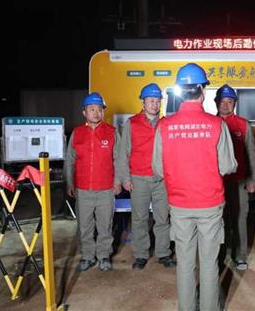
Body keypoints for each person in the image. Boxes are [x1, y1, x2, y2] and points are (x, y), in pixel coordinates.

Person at [152, 63, 237, 311]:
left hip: (179, 205)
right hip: (210, 204)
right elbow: (228, 165)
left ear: (180, 92)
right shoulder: (216, 125)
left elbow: (157, 168)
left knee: (185, 263)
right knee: (209, 263)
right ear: (201, 91)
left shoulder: (164, 126)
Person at [65, 92, 123, 272]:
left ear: (103, 111)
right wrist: (69, 183)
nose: (96, 113)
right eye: (92, 109)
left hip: (106, 188)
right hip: (83, 189)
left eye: (99, 109)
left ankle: (104, 255)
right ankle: (88, 256)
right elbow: (70, 161)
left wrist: (118, 181)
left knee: (105, 225)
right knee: (85, 225)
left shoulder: (112, 133)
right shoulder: (77, 133)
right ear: (84, 112)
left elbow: (119, 160)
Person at [120, 83, 174, 270]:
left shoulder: (165, 124)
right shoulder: (132, 124)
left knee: (162, 218)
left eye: (157, 100)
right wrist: (125, 178)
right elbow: (123, 153)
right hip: (139, 179)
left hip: (161, 180)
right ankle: (141, 254)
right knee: (139, 218)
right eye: (151, 100)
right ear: (143, 102)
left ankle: (163, 252)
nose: (154, 104)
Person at [214, 84, 255, 271]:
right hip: (216, 183)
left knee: (240, 218)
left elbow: (251, 152)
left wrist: (253, 178)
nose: (225, 105)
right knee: (219, 220)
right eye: (222, 101)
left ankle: (240, 255)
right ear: (216, 102)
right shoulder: (210, 123)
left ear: (234, 103)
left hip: (239, 181)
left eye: (229, 102)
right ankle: (222, 253)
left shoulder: (242, 124)